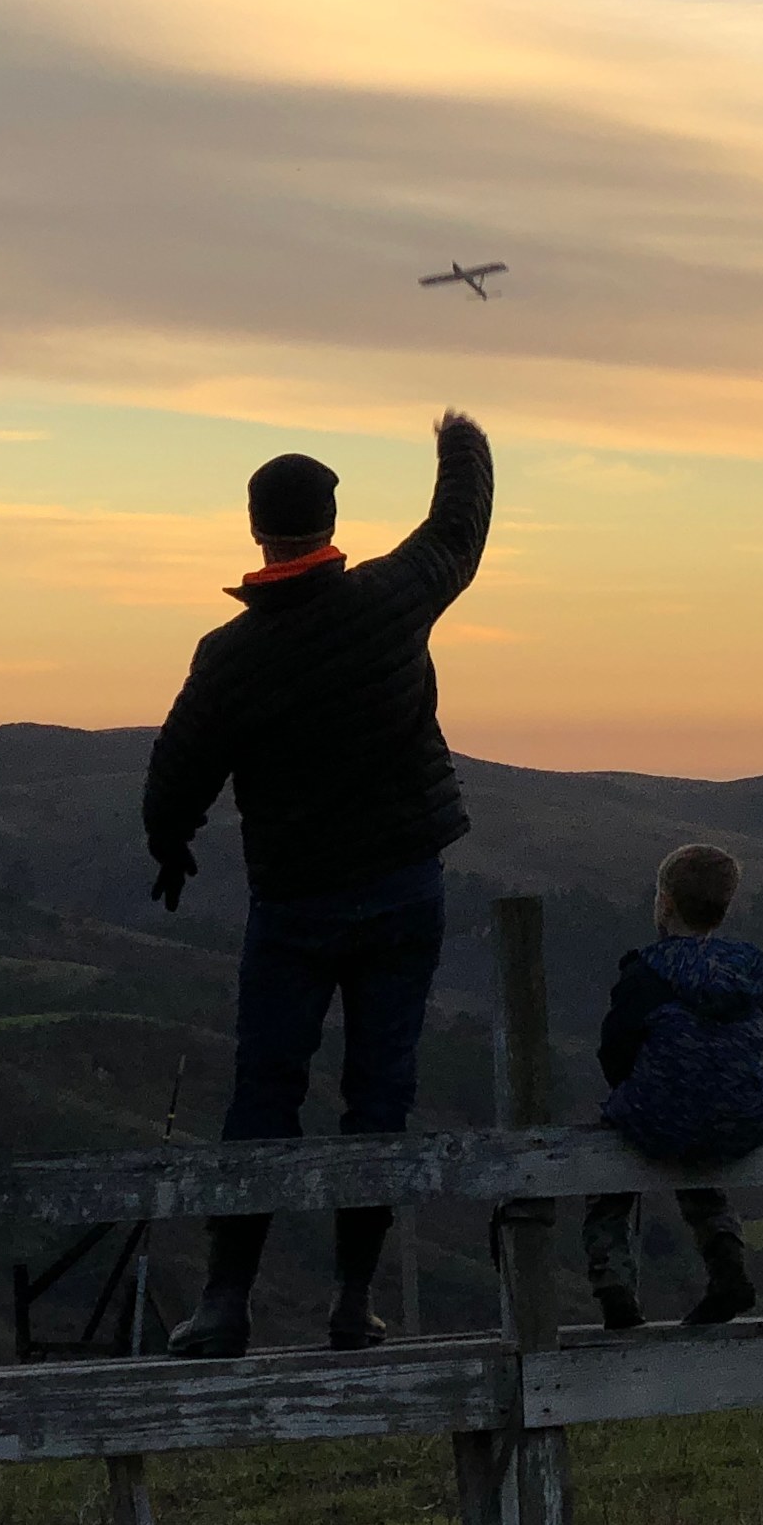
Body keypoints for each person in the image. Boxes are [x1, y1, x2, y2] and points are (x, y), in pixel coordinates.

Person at [142, 411, 494, 1356]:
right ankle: (353, 1302)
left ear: (256, 529)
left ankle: (225, 1303)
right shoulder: (391, 598)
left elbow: (176, 772)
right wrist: (459, 436)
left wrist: (170, 844)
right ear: (332, 522)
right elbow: (459, 530)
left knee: (265, 1092)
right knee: (379, 1096)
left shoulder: (231, 655)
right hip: (402, 888)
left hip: (293, 904)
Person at [582, 840, 763, 1331]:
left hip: (662, 1112)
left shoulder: (646, 973)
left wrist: (635, 1092)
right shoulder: (749, 973)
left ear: (665, 902)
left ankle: (615, 1289)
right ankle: (728, 1268)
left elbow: (615, 1049)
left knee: (608, 1172)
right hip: (742, 1115)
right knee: (700, 1152)